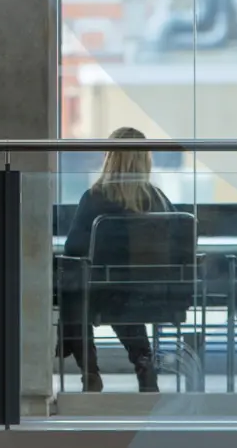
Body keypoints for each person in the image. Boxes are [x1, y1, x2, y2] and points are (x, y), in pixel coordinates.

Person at [61, 126, 171, 393]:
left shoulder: (95, 198)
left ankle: (90, 371)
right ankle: (143, 361)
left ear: (110, 157)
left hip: (105, 292)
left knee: (73, 292)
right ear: (146, 159)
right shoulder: (158, 199)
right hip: (155, 292)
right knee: (123, 295)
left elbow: (73, 249)